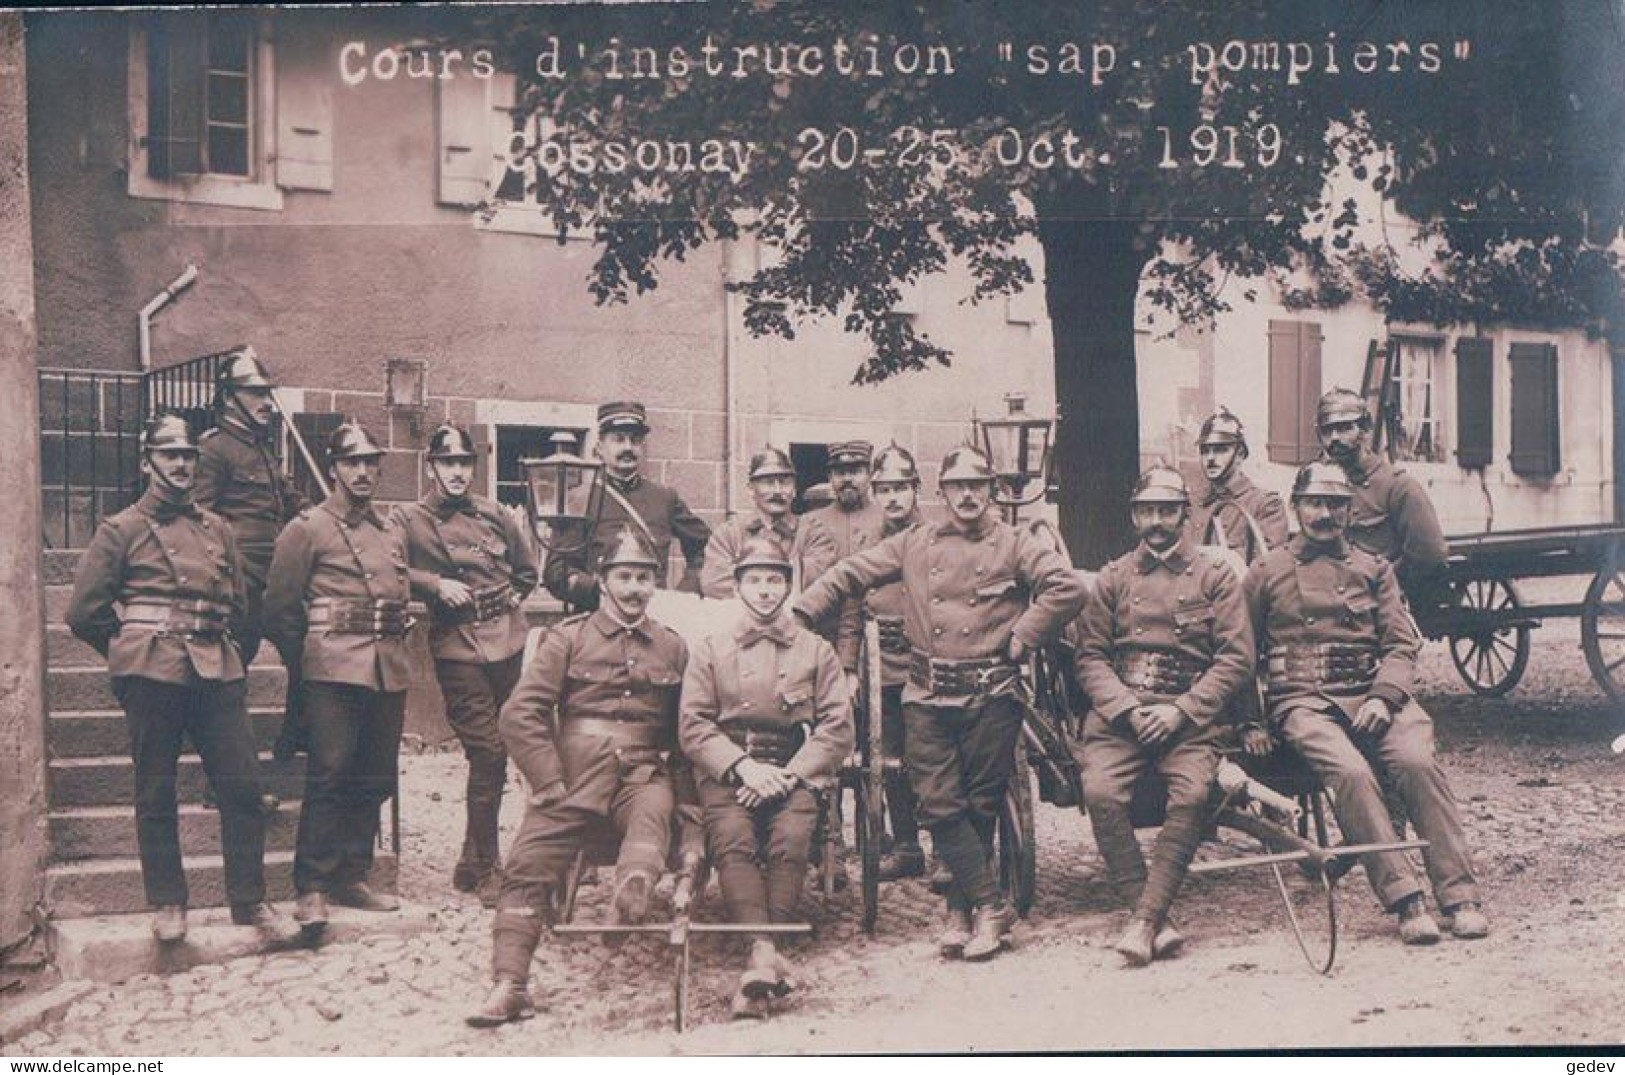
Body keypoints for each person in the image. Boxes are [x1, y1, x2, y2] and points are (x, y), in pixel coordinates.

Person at [796, 445, 1086, 962]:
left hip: (991, 694)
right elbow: (849, 575)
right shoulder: (914, 543)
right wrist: (801, 611)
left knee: (980, 803)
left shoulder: (1015, 543)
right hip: (927, 693)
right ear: (943, 492)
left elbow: (1066, 587)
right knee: (936, 802)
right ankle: (991, 904)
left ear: (992, 490)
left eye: (978, 485)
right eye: (957, 486)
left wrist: (1026, 632)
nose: (968, 494)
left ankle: (960, 910)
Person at [65, 414, 297, 946]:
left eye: (188, 455)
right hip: (152, 673)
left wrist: (232, 652)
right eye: (169, 454)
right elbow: (84, 613)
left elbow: (239, 606)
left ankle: (249, 902)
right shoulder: (120, 530)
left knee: (242, 789)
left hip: (216, 671)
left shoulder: (218, 529)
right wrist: (129, 649)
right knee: (156, 791)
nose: (180, 464)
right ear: (146, 462)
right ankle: (169, 902)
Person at [1244, 461, 1490, 945]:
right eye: (1314, 503)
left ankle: (1459, 894)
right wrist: (1250, 721)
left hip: (1374, 696)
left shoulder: (1373, 569)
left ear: (1349, 512)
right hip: (1304, 703)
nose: (1324, 514)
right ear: (1296, 508)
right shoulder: (1265, 571)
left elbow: (1401, 645)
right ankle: (1405, 898)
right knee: (1352, 774)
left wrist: (1383, 696)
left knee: (1418, 763)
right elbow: (1240, 654)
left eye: (1335, 504)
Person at [467, 529, 696, 1028]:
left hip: (642, 769)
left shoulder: (673, 647)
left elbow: (685, 730)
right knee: (528, 861)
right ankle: (510, 983)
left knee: (653, 810)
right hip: (573, 778)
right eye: (625, 576)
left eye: (644, 578)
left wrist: (689, 798)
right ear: (604, 581)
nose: (635, 588)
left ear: (654, 584)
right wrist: (547, 781)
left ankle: (631, 891)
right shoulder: (567, 638)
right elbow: (519, 714)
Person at [1073, 466, 1254, 966]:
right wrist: (1129, 710)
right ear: (1134, 517)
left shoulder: (1215, 576)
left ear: (1184, 515)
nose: (1157, 522)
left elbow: (1236, 659)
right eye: (1147, 511)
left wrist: (1181, 711)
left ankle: (1144, 920)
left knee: (1194, 794)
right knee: (1100, 793)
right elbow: (1089, 657)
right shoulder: (1113, 578)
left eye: (1167, 511)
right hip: (1121, 719)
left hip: (1190, 720)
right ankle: (1152, 916)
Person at [680, 536, 853, 1019]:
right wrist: (745, 768)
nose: (764, 591)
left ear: (788, 586)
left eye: (774, 580)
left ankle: (761, 952)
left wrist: (790, 774)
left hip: (793, 775)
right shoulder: (711, 649)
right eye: (754, 580)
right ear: (737, 587)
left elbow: (837, 727)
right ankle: (765, 950)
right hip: (731, 772)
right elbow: (693, 725)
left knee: (792, 837)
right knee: (732, 839)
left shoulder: (815, 651)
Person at [263, 420, 411, 935]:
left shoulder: (390, 529)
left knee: (375, 774)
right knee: (329, 774)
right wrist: (305, 658)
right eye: (353, 462)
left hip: (386, 665)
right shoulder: (308, 528)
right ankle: (312, 886)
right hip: (331, 667)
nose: (364, 471)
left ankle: (354, 875)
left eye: (372, 462)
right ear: (333, 469)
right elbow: (280, 606)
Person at [396, 424, 539, 906]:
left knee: (509, 749)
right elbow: (389, 567)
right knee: (489, 752)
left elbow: (526, 570)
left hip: (509, 643)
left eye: (464, 463)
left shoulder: (494, 513)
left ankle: (470, 859)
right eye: (447, 463)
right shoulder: (408, 519)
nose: (456, 472)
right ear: (431, 467)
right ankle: (488, 866)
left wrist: (512, 598)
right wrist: (434, 585)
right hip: (457, 647)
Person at [836, 443, 928, 881]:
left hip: (928, 666)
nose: (892, 497)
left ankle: (948, 847)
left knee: (932, 757)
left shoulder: (935, 537)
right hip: (882, 669)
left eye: (901, 487)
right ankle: (907, 846)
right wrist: (850, 667)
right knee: (887, 759)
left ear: (916, 489)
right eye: (884, 489)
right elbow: (853, 611)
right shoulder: (867, 545)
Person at [542, 401, 710, 609]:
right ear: (600, 448)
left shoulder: (664, 497)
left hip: (654, 616)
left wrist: (688, 588)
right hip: (598, 615)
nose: (628, 447)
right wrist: (602, 590)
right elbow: (556, 572)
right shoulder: (579, 500)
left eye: (635, 440)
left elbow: (706, 546)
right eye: (618, 440)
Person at [1315, 388, 1451, 622]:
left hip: (1379, 606)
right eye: (1327, 430)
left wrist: (1387, 588)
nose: (1335, 438)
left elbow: (1429, 555)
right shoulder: (1319, 486)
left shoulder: (1398, 487)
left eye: (1345, 428)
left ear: (1365, 429)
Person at [700, 447, 837, 599]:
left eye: (785, 483)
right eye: (769, 483)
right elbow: (713, 583)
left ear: (794, 490)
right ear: (751, 489)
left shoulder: (814, 533)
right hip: (743, 619)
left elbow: (819, 581)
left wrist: (748, 579)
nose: (777, 490)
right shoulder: (728, 535)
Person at [1188, 406, 1288, 563]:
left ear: (1240, 454)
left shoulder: (1266, 505)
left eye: (1220, 449)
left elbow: (1265, 568)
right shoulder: (1192, 503)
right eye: (1205, 450)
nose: (1211, 458)